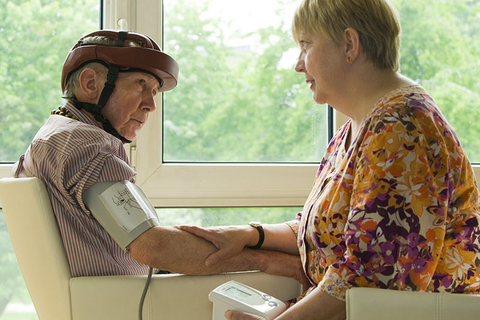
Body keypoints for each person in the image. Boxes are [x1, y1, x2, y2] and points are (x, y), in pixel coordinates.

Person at [180, 0, 480, 319]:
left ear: (349, 44)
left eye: (306, 45)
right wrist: (252, 235)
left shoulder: (401, 129)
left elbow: (369, 277)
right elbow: (333, 227)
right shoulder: (357, 128)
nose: (298, 64)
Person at [12, 30, 307, 286]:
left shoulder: (54, 135)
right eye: (140, 84)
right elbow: (152, 246)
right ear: (90, 84)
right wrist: (267, 259)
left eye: (154, 92)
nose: (151, 105)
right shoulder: (88, 145)